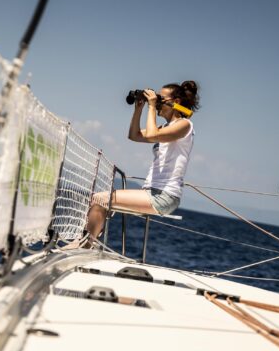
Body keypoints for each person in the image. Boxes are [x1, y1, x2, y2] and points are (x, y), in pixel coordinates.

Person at [83, 81, 200, 245]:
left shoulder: (184, 125)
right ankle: (89, 241)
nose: (157, 101)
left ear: (176, 102)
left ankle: (87, 244)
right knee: (100, 200)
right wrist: (138, 108)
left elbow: (151, 135)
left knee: (100, 199)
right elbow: (134, 135)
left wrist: (151, 107)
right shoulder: (164, 127)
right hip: (152, 191)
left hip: (164, 196)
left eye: (160, 98)